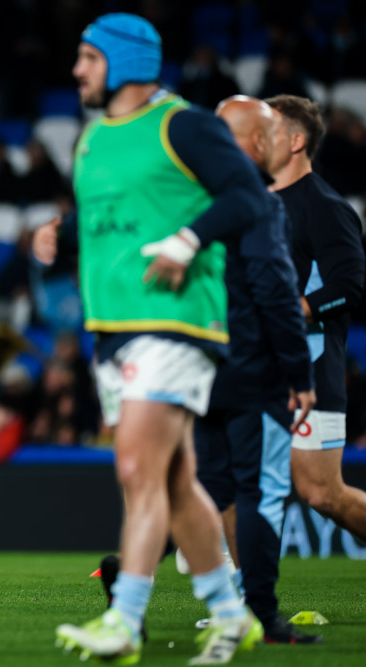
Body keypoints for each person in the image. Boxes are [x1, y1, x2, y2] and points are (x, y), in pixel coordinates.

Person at [45, 14, 271, 664]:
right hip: (112, 330)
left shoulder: (185, 125)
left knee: (136, 467)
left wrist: (188, 238)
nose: (77, 69)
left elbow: (248, 196)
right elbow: (106, 217)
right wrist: (57, 235)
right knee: (174, 481)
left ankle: (124, 619)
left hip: (173, 321)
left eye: (88, 57)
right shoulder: (91, 139)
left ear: (122, 63)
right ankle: (233, 614)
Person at [190, 95, 319, 644]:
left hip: (197, 375)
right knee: (262, 493)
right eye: (264, 134)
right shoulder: (258, 204)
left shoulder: (190, 200)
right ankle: (261, 615)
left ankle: (225, 603)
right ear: (256, 141)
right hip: (254, 374)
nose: (269, 143)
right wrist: (300, 372)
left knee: (216, 492)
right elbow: (275, 289)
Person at [265, 94, 366, 539]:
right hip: (254, 365)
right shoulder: (251, 202)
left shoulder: (325, 206)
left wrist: (291, 314)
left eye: (267, 129)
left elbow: (349, 286)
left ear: (296, 141)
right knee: (227, 476)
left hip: (308, 365)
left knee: (323, 494)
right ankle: (233, 594)